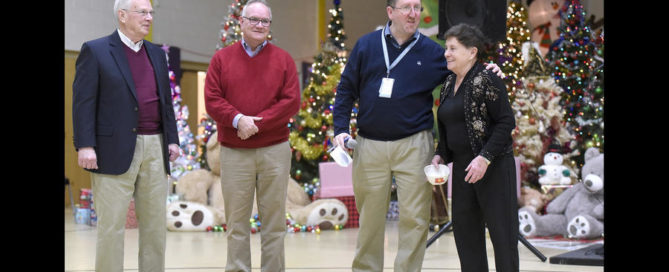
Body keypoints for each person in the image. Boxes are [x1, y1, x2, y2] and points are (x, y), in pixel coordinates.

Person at [332, 0, 502, 270]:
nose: (413, 14)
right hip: (369, 145)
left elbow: (465, 72)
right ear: (390, 12)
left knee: (415, 220)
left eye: (417, 7)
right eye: (406, 7)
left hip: (415, 145)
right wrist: (340, 128)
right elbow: (345, 90)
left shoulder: (434, 52)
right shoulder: (366, 45)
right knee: (370, 221)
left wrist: (489, 71)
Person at [72, 0, 180, 271]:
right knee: (111, 228)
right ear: (122, 16)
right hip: (111, 150)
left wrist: (173, 139)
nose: (149, 18)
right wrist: (85, 145)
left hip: (155, 147)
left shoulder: (157, 53)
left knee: (155, 226)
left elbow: (165, 101)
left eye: (151, 12)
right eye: (142, 12)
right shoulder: (95, 51)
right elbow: (83, 102)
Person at [204, 0, 300, 271]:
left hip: (275, 150)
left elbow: (291, 101)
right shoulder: (222, 59)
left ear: (270, 25)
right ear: (241, 22)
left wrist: (256, 123)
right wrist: (237, 120)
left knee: (274, 223)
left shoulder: (283, 60)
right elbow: (212, 99)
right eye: (254, 20)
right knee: (236, 223)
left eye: (265, 21)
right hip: (235, 152)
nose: (260, 25)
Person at [431, 23, 518, 272]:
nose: (446, 53)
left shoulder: (489, 78)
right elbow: (448, 127)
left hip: (494, 168)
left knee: (503, 239)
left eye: (453, 48)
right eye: (446, 48)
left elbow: (505, 122)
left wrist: (484, 158)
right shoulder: (448, 84)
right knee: (466, 239)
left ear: (472, 52)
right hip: (462, 171)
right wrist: (440, 154)